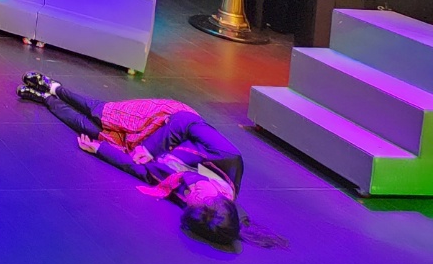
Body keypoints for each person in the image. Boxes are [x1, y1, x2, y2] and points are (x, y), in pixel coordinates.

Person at [16, 73, 285, 249]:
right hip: (166, 122)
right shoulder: (228, 157)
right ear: (219, 196)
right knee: (104, 113)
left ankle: (46, 99)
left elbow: (145, 174)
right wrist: (150, 146)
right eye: (196, 192)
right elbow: (186, 121)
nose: (188, 190)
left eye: (188, 199)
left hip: (150, 152)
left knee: (92, 133)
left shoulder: (193, 199)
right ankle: (55, 87)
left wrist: (100, 150)